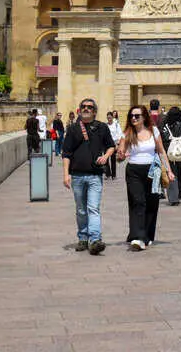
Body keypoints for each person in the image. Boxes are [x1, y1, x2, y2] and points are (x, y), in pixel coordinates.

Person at [62, 98, 116, 255]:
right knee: (81, 210)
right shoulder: (72, 129)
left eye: (89, 107)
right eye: (83, 107)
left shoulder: (102, 127)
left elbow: (111, 146)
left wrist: (106, 156)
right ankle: (83, 238)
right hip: (77, 175)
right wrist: (66, 174)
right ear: (79, 110)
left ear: (94, 111)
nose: (86, 109)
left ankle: (95, 239)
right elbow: (66, 153)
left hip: (94, 175)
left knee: (93, 208)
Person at [116, 104, 171, 250]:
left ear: (144, 117)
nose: (133, 118)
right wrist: (120, 155)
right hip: (134, 170)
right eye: (131, 116)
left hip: (153, 170)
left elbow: (161, 151)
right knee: (138, 201)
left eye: (137, 116)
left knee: (152, 203)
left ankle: (147, 235)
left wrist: (169, 170)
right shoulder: (127, 133)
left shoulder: (153, 131)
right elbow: (120, 156)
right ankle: (138, 237)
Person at [160, 107, 181, 204]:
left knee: (171, 173)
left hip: (170, 154)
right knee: (180, 174)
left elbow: (164, 140)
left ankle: (173, 198)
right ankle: (179, 193)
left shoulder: (166, 127)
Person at [105, 111, 122, 179]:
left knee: (113, 160)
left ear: (112, 117)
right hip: (106, 143)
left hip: (114, 143)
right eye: (108, 118)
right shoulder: (106, 125)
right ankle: (108, 174)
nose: (109, 119)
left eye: (110, 118)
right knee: (106, 159)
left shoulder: (116, 124)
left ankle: (114, 175)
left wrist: (117, 144)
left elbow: (119, 134)